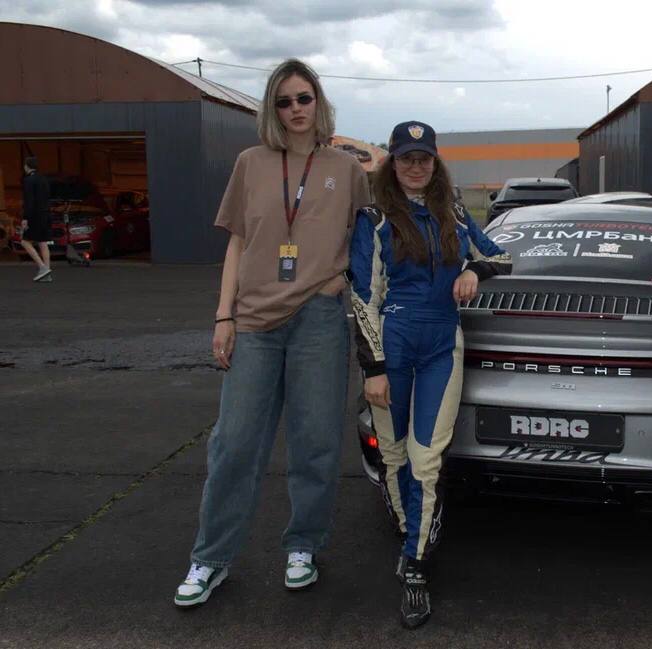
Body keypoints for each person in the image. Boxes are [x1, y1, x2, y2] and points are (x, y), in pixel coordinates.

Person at [173, 59, 371, 607]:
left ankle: (303, 546)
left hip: (318, 319)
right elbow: (237, 242)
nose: (296, 109)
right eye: (284, 101)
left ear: (318, 101)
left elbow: (369, 239)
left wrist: (340, 281)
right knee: (234, 444)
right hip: (255, 321)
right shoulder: (250, 163)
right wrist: (224, 315)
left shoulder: (346, 169)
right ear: (272, 109)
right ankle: (211, 558)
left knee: (315, 443)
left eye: (304, 98)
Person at [349, 121, 511, 629]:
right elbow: (362, 296)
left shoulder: (455, 214)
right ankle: (412, 533)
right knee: (393, 454)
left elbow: (501, 256)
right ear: (392, 164)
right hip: (392, 343)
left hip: (442, 342)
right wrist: (374, 368)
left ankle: (416, 564)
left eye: (424, 158)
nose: (416, 166)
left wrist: (473, 270)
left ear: (435, 163)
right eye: (406, 158)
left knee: (425, 460)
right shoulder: (374, 219)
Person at [20, 156, 53, 282]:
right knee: (43, 242)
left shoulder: (28, 180)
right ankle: (47, 273)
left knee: (24, 241)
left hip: (34, 216)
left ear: (26, 166)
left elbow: (29, 201)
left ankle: (42, 267)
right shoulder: (44, 179)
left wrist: (25, 218)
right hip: (46, 214)